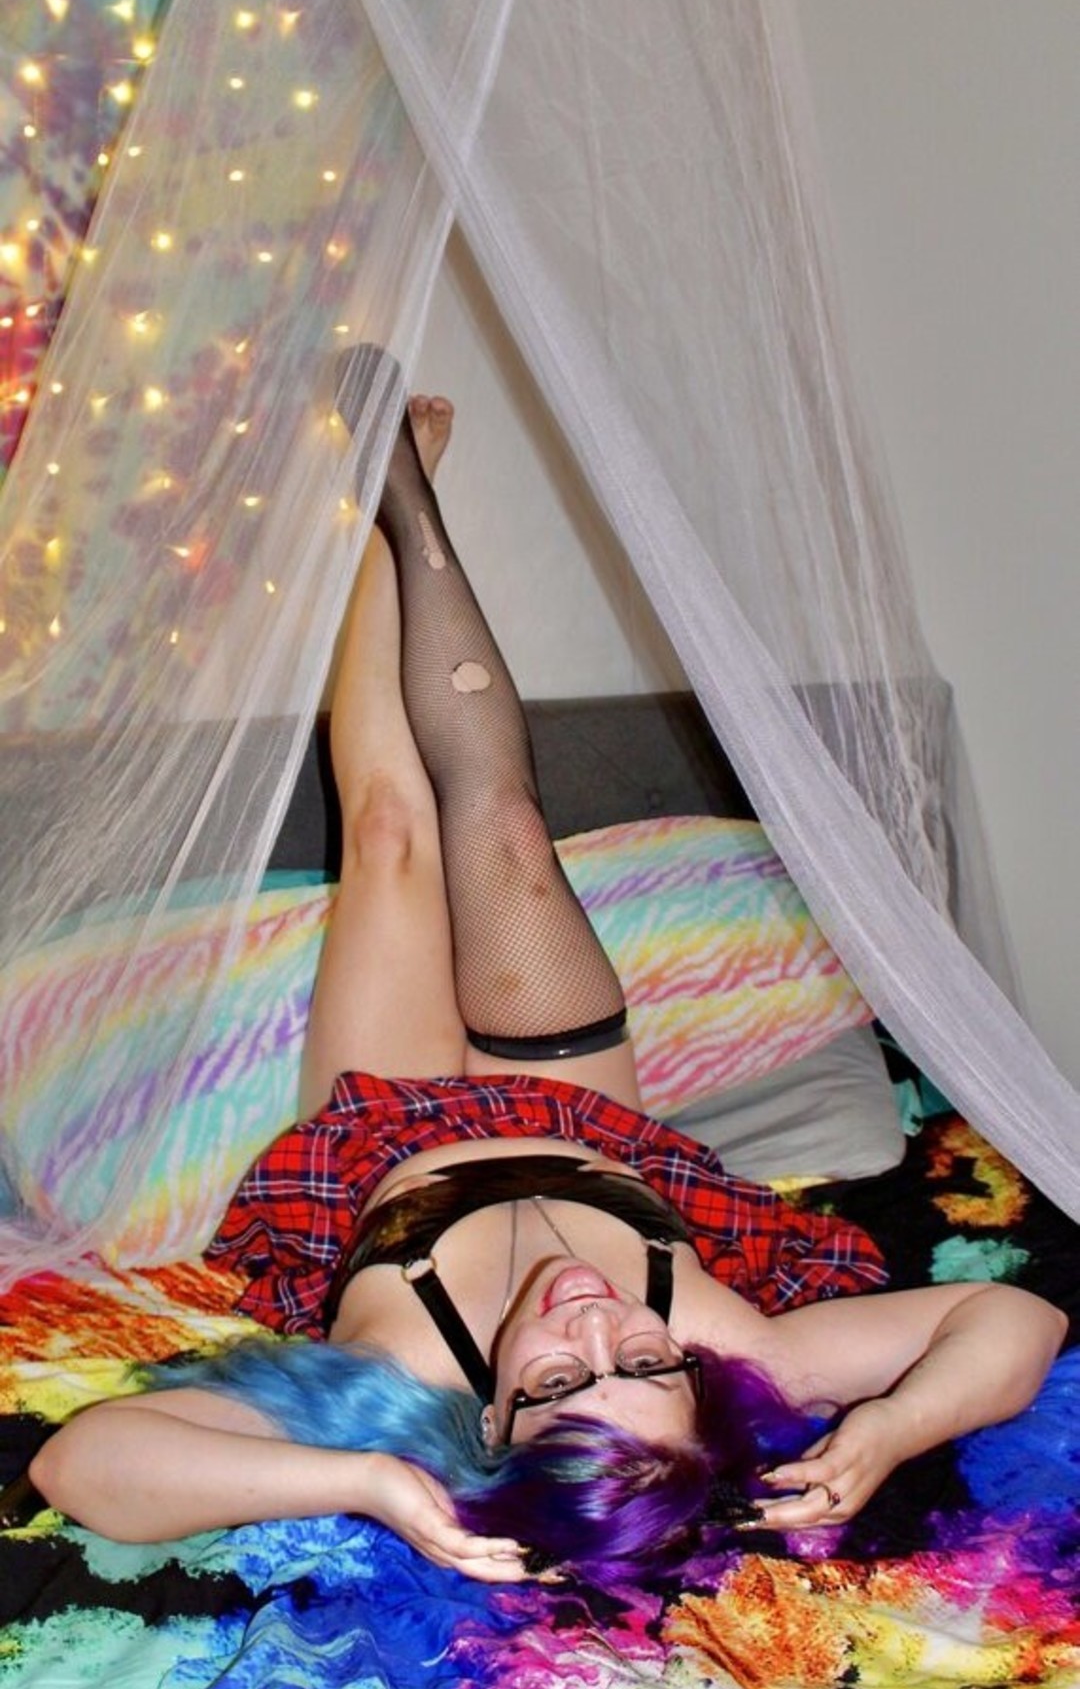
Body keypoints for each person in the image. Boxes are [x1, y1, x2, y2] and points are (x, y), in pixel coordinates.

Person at [29, 371, 1067, 1586]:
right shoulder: (745, 1347)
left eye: (562, 1378)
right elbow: (1021, 1317)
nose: (595, 1320)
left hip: (390, 1133)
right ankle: (412, 505)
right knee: (509, 831)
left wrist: (370, 1480)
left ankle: (371, 530)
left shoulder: (404, 1377)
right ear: (697, 1379)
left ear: (493, 1418)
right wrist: (888, 1425)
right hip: (580, 1112)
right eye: (647, 1363)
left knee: (392, 830)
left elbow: (82, 1464)